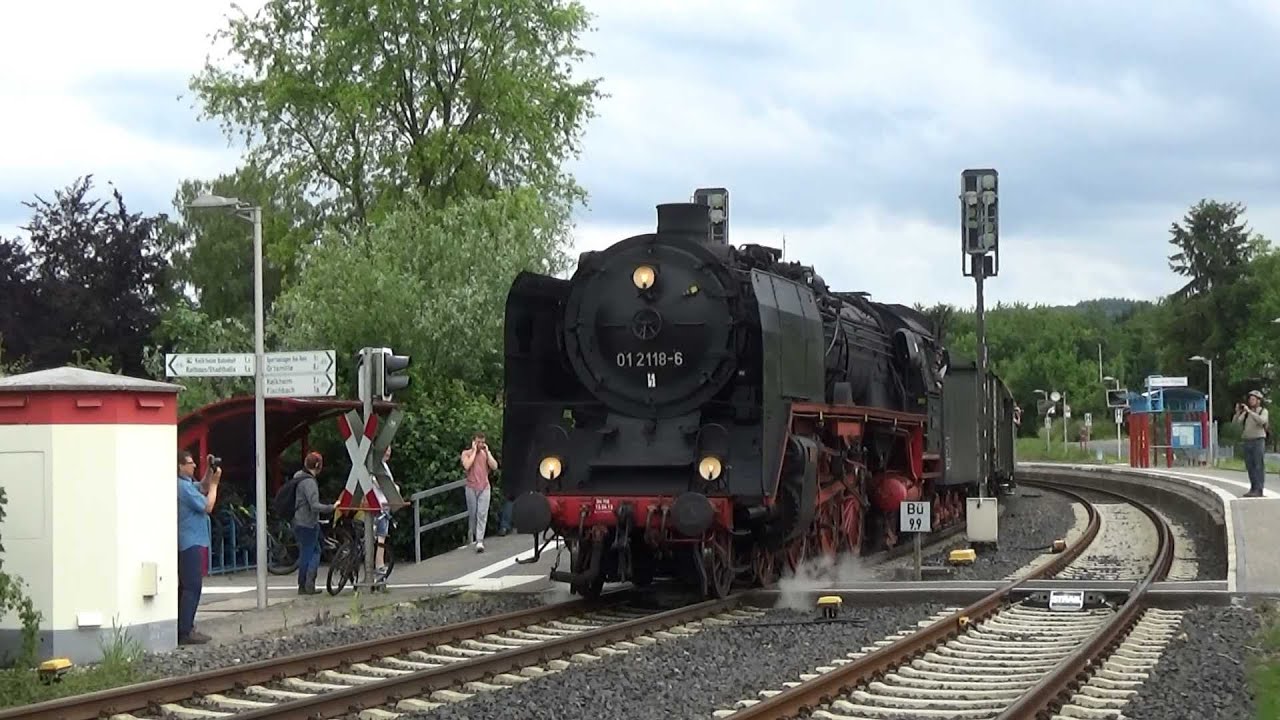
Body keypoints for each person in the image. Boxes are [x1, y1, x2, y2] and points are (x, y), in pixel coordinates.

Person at [177, 450, 219, 645]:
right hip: (190, 542)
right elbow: (207, 505)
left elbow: (201, 487)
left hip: (192, 541)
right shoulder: (182, 488)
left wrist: (209, 473)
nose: (194, 465)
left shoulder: (185, 485)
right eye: (190, 463)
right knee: (192, 587)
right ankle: (186, 630)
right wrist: (215, 484)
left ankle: (185, 626)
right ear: (180, 466)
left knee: (188, 587)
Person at [292, 452, 337, 594]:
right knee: (311, 553)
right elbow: (314, 505)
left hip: (298, 520)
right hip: (307, 522)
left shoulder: (298, 476)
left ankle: (304, 585)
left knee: (310, 551)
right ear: (317, 465)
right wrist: (331, 507)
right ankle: (307, 585)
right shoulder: (310, 482)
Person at [461, 432, 499, 552]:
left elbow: (494, 466)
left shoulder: (485, 454)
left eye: (482, 442)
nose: (481, 444)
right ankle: (472, 536)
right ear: (473, 442)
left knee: (482, 514)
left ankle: (480, 541)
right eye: (478, 442)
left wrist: (487, 452)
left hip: (484, 487)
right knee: (473, 514)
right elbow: (467, 466)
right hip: (471, 487)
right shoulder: (466, 453)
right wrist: (473, 451)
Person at [372, 445, 401, 582]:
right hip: (381, 505)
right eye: (386, 449)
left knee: (380, 537)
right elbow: (380, 483)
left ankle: (378, 565)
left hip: (384, 504)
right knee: (381, 537)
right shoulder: (378, 467)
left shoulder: (381, 465)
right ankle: (379, 566)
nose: (388, 452)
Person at [1234, 390, 1270, 497]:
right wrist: (1238, 412)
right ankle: (1253, 488)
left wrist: (1250, 412)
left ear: (1258, 401)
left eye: (1253, 399)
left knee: (1258, 465)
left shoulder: (1263, 411)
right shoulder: (1247, 413)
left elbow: (1262, 421)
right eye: (1250, 399)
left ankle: (1259, 489)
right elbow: (1236, 423)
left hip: (1258, 440)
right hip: (1247, 441)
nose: (1251, 401)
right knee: (1250, 466)